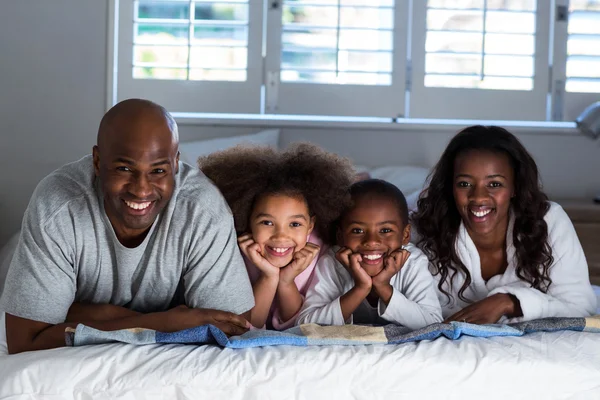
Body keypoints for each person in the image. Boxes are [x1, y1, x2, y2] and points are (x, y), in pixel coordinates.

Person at [0, 99, 255, 354]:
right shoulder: (58, 206)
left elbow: (231, 327)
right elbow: (24, 340)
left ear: (175, 164)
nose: (141, 189)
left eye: (158, 171)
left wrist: (82, 313)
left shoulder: (202, 209)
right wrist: (165, 322)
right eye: (124, 168)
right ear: (98, 162)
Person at [412, 125, 597, 324]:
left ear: (515, 187)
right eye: (464, 184)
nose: (479, 197)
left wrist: (509, 302)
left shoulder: (548, 220)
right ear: (451, 187)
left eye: (494, 184)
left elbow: (580, 306)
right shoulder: (424, 227)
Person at [198, 143, 354, 329]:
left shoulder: (322, 256)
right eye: (267, 222)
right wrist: (269, 276)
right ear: (247, 221)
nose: (281, 236)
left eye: (295, 224)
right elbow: (245, 326)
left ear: (310, 225)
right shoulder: (232, 253)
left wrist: (286, 281)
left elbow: (301, 327)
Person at [297, 179, 442, 329]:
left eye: (385, 230)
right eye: (357, 231)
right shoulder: (333, 262)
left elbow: (432, 323)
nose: (372, 241)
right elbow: (306, 324)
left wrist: (383, 287)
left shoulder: (413, 262)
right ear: (340, 236)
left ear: (405, 235)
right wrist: (361, 288)